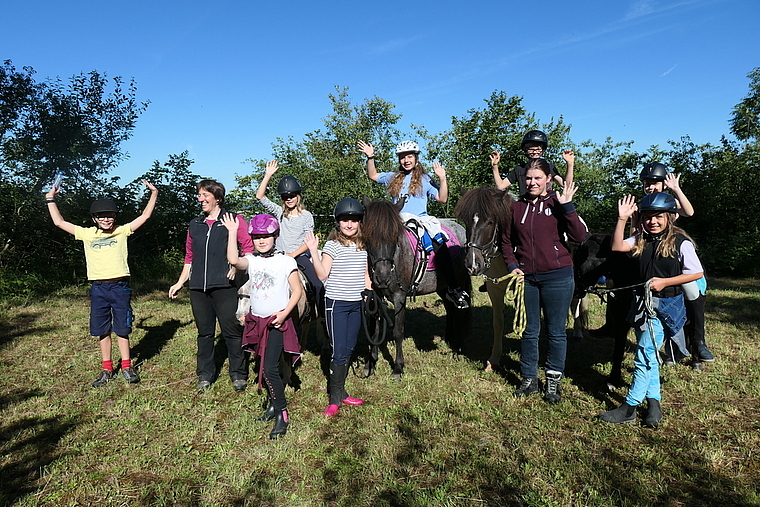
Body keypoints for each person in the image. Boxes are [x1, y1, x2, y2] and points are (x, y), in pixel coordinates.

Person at [598, 192, 703, 427]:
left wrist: (666, 282)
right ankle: (654, 406)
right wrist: (622, 219)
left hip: (666, 307)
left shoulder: (681, 243)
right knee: (650, 356)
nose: (652, 221)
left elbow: (696, 273)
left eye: (658, 217)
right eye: (647, 217)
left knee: (644, 353)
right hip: (643, 305)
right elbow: (617, 246)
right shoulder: (642, 239)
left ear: (669, 218)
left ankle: (630, 406)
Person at [45, 180, 158, 387]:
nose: (106, 219)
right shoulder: (87, 234)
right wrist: (50, 199)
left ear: (115, 217)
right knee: (102, 329)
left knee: (122, 329)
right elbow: (60, 223)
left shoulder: (122, 231)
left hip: (120, 287)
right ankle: (107, 368)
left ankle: (126, 365)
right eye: (102, 216)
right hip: (98, 289)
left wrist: (153, 193)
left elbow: (145, 216)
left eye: (110, 215)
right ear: (94, 218)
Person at [500, 159, 587, 404]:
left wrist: (568, 206)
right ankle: (528, 378)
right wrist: (513, 265)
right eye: (529, 178)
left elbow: (580, 236)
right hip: (526, 277)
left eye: (538, 178)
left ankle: (552, 381)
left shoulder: (557, 203)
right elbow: (506, 242)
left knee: (556, 332)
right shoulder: (515, 207)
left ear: (548, 179)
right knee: (529, 331)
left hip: (558, 276)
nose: (532, 182)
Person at [357, 139, 468, 309]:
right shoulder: (393, 177)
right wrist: (370, 157)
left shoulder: (425, 179)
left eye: (409, 156)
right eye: (402, 157)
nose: (406, 160)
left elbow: (442, 199)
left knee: (439, 243)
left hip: (420, 220)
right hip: (398, 220)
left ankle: (453, 287)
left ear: (416, 158)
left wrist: (443, 179)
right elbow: (372, 175)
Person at [221, 213, 302, 439]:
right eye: (256, 237)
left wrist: (284, 313)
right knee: (264, 365)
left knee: (269, 369)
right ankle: (273, 405)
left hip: (276, 323)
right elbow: (235, 261)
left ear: (275, 236)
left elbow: (297, 291)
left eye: (265, 236)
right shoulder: (252, 260)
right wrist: (231, 233)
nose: (261, 241)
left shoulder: (286, 261)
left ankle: (282, 414)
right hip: (256, 322)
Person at [169, 179, 253, 392]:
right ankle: (205, 375)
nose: (200, 199)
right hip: (198, 287)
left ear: (217, 197)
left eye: (204, 195)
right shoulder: (194, 224)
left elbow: (249, 247)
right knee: (204, 333)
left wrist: (238, 266)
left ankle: (238, 374)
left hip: (225, 286)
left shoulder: (233, 220)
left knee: (232, 332)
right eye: (199, 195)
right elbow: (189, 257)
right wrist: (180, 282)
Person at [636, 162, 713, 366]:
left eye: (655, 183)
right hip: (652, 255)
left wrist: (676, 188)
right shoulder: (641, 203)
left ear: (663, 184)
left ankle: (698, 342)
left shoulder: (670, 201)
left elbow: (689, 212)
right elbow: (636, 232)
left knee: (692, 291)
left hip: (673, 256)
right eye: (647, 184)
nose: (651, 187)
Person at [304, 197, 371, 417]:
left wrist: (369, 292)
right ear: (338, 223)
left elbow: (365, 273)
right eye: (345, 220)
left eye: (353, 220)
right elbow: (322, 274)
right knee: (339, 350)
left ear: (360, 221)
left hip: (356, 303)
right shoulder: (332, 245)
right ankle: (335, 398)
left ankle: (341, 392)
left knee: (350, 347)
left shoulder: (364, 245)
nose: (349, 224)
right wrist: (313, 250)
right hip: (336, 304)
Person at [255, 160, 323, 315]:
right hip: (279, 256)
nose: (289, 199)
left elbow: (308, 242)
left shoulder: (306, 216)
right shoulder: (279, 212)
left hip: (298, 256)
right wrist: (267, 175)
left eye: (292, 195)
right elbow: (260, 196)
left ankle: (322, 317)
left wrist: (293, 254)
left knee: (318, 285)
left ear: (298, 196)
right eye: (286, 196)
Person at [491, 130, 575, 195]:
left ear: (543, 150)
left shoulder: (548, 167)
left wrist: (570, 164)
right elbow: (500, 186)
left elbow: (566, 185)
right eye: (531, 148)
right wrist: (495, 166)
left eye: (538, 149)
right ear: (525, 149)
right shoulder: (519, 169)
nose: (535, 152)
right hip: (526, 205)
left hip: (546, 205)